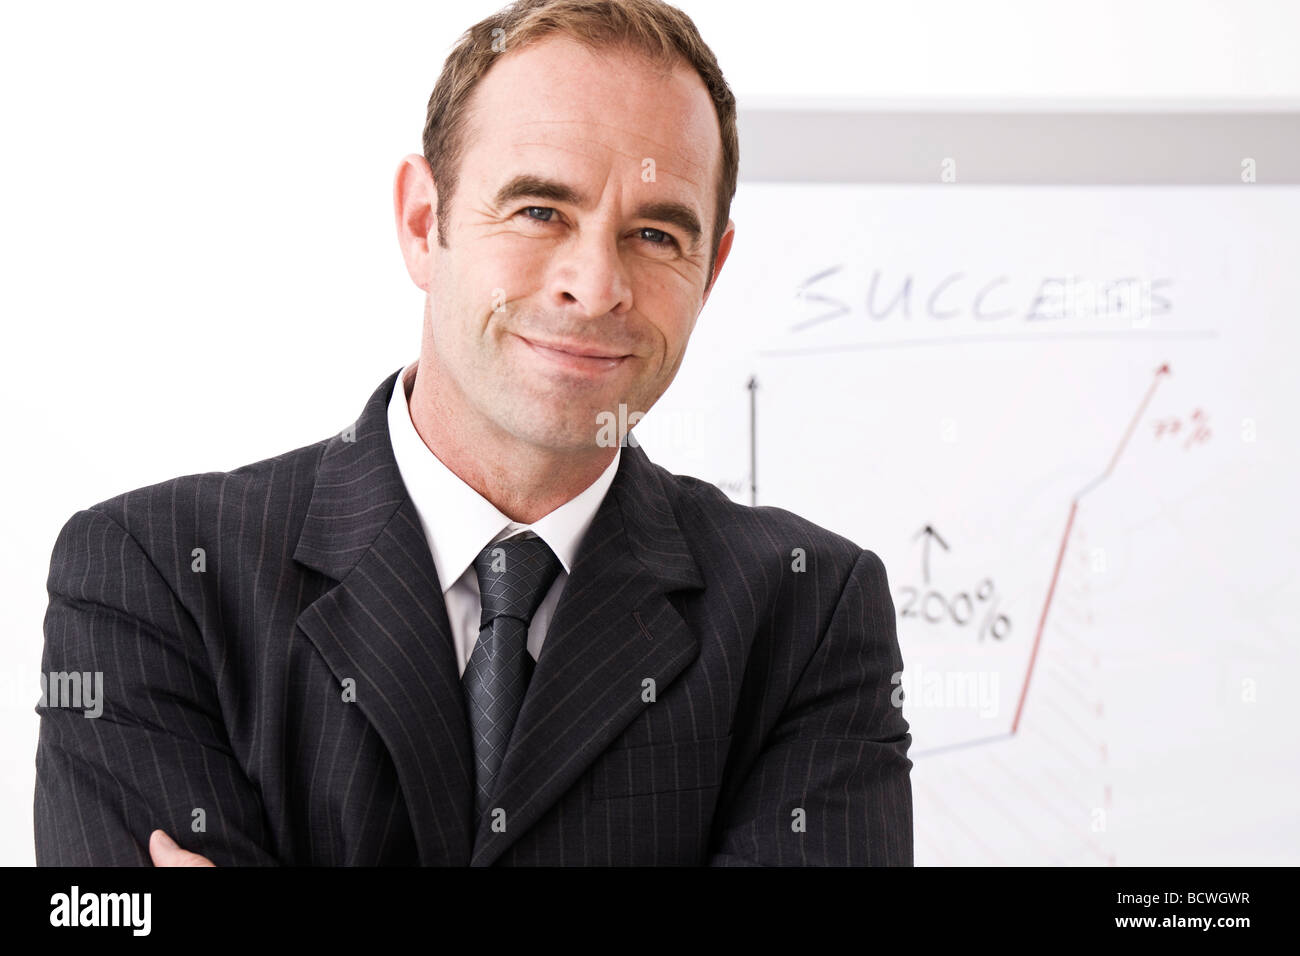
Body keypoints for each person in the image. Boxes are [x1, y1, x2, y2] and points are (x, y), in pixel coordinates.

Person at [35, 0, 912, 867]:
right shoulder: (151, 577)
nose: (596, 284)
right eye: (540, 212)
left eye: (654, 233)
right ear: (425, 222)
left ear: (710, 270)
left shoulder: (810, 618)